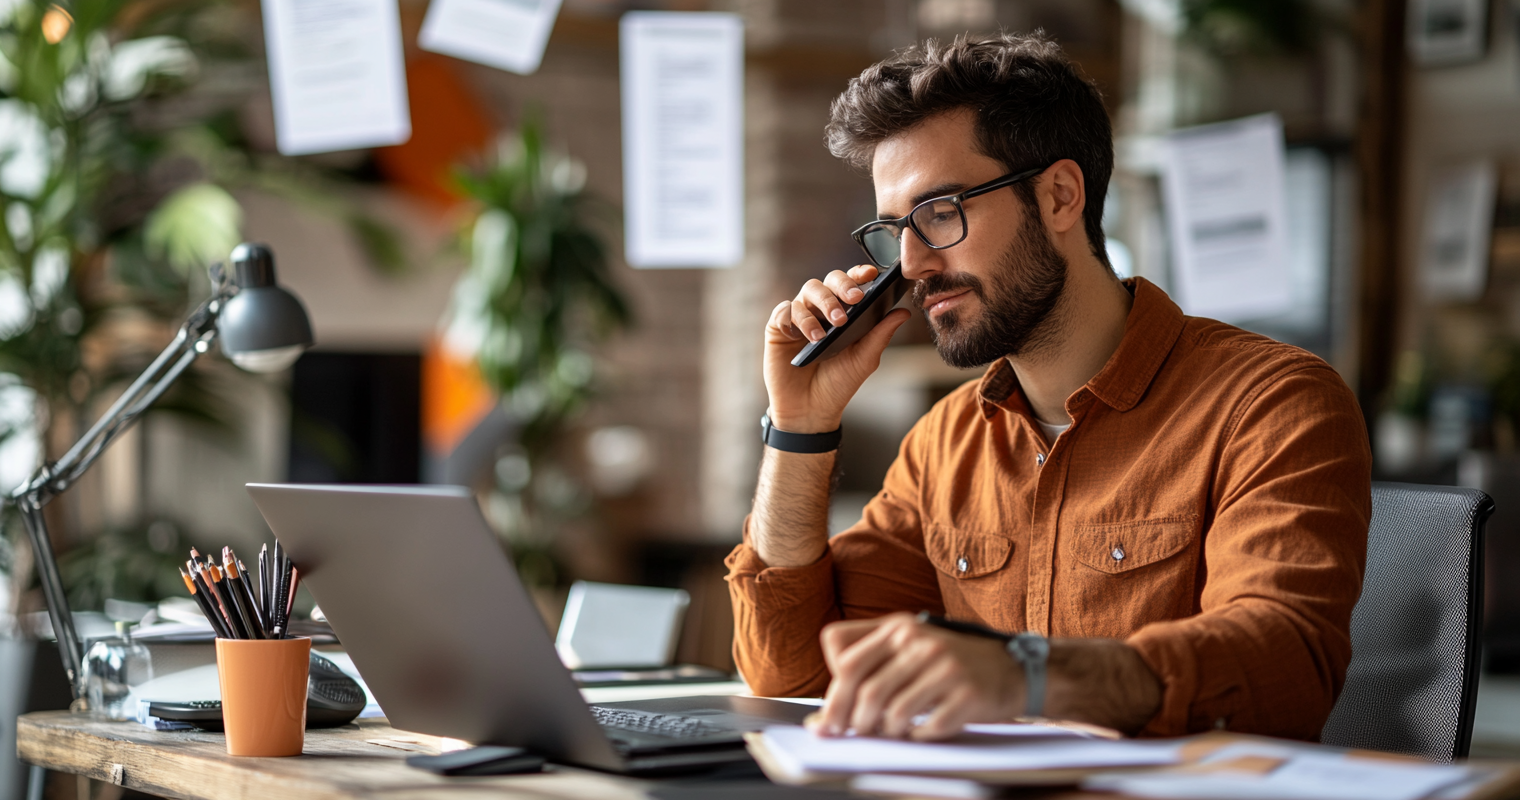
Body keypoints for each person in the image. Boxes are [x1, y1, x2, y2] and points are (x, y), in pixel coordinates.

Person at [724, 32, 1371, 742]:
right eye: (894, 229)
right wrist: (798, 428)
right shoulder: (943, 445)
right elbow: (793, 678)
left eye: (940, 214)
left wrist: (1026, 676)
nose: (911, 265)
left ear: (1060, 195)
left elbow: (1282, 670)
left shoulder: (1271, 403)